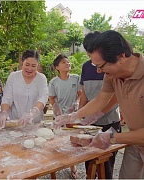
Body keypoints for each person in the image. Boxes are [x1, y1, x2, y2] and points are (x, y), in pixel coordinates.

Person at [54, 30, 144, 179]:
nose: (98, 71)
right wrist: (74, 115)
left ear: (121, 56)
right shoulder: (112, 74)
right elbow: (100, 100)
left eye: (101, 66)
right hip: (135, 144)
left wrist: (112, 138)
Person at [80, 31, 121, 179]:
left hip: (110, 122)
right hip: (90, 126)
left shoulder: (112, 66)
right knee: (89, 163)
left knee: (107, 166)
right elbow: (84, 94)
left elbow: (115, 96)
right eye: (89, 54)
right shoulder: (87, 67)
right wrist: (79, 116)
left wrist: (100, 112)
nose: (92, 58)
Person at [0, 49, 48, 128]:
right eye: (27, 65)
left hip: (35, 123)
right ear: (22, 62)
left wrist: (32, 113)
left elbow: (43, 97)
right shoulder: (13, 77)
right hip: (15, 122)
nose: (30, 69)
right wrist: (4, 112)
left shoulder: (41, 78)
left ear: (38, 65)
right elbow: (7, 98)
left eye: (33, 66)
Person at [48, 54, 81, 179]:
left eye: (68, 62)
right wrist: (56, 110)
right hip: (59, 116)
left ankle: (73, 166)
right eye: (64, 62)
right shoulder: (54, 82)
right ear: (57, 67)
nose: (68, 64)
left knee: (72, 141)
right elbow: (51, 98)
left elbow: (80, 94)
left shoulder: (76, 78)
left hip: (73, 116)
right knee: (57, 141)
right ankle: (55, 168)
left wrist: (76, 102)